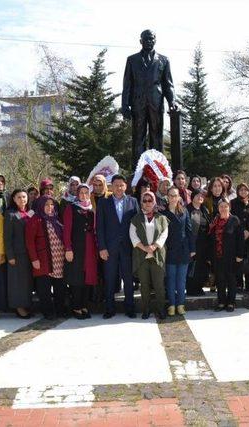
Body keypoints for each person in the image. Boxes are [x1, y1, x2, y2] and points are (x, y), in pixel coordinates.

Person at [121, 29, 178, 168]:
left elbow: (168, 84)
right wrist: (124, 105)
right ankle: (138, 170)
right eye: (146, 39)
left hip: (156, 102)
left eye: (151, 38)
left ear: (155, 40)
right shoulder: (132, 60)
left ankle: (157, 168)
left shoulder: (164, 60)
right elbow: (127, 84)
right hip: (138, 102)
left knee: (156, 136)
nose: (149, 41)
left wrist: (172, 101)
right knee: (138, 138)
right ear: (140, 41)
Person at [97, 174, 140, 318]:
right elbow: (100, 227)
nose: (119, 188)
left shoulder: (133, 202)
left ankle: (130, 308)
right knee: (109, 279)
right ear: (111, 186)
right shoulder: (103, 203)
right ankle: (109, 308)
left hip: (128, 248)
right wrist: (102, 247)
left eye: (121, 185)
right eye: (116, 185)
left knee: (128, 279)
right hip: (109, 248)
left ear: (126, 186)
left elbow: (138, 225)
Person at [26, 196, 67, 320]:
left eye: (52, 205)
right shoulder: (35, 220)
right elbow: (29, 241)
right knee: (44, 289)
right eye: (46, 205)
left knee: (60, 287)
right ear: (40, 206)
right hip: (43, 260)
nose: (50, 207)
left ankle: (60, 310)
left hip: (59, 259)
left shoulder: (57, 219)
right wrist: (34, 259)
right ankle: (48, 312)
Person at [130, 191, 169, 319]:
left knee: (159, 285)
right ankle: (146, 309)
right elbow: (133, 236)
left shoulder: (161, 218)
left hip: (157, 255)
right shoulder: (136, 218)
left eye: (150, 200)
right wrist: (145, 248)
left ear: (154, 202)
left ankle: (161, 309)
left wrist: (154, 246)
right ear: (142, 202)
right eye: (145, 200)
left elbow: (164, 234)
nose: (147, 203)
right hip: (142, 256)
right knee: (144, 285)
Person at [63, 184, 98, 319]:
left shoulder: (91, 209)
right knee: (77, 278)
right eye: (81, 193)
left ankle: (84, 305)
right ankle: (76, 307)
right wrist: (68, 248)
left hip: (90, 248)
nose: (84, 195)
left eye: (86, 192)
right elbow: (67, 230)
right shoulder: (71, 208)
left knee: (87, 277)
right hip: (76, 248)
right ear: (77, 195)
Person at [162, 186, 195, 316]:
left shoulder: (184, 211)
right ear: (167, 197)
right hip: (169, 251)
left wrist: (192, 249)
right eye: (171, 195)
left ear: (179, 197)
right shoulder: (163, 214)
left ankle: (181, 304)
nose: (173, 198)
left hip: (183, 251)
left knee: (181, 280)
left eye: (175, 195)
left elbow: (189, 231)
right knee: (170, 280)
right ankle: (171, 304)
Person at [209, 198, 244, 312]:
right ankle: (221, 302)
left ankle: (231, 302)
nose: (223, 208)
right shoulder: (215, 221)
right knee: (220, 280)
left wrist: (240, 254)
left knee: (231, 279)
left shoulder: (235, 220)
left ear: (229, 207)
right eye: (221, 206)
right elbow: (211, 239)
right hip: (218, 256)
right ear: (218, 208)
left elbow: (240, 239)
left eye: (225, 206)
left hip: (231, 256)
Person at [4, 189, 33, 318]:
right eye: (19, 197)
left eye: (24, 197)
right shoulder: (10, 214)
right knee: (17, 282)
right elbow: (7, 237)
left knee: (26, 282)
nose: (22, 199)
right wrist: (10, 256)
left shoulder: (30, 213)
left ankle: (26, 304)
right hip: (17, 254)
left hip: (29, 254)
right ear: (14, 199)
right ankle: (18, 307)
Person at [231, 183, 249, 293]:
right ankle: (239, 284)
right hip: (238, 236)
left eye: (245, 190)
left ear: (248, 191)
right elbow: (232, 218)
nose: (243, 192)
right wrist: (241, 230)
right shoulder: (233, 203)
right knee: (239, 259)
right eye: (241, 190)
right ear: (238, 191)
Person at [186, 189, 210, 296]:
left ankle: (199, 287)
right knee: (192, 267)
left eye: (202, 196)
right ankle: (191, 288)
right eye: (198, 195)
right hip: (192, 244)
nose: (200, 197)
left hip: (204, 245)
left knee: (201, 267)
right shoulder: (187, 209)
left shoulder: (204, 210)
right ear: (193, 197)